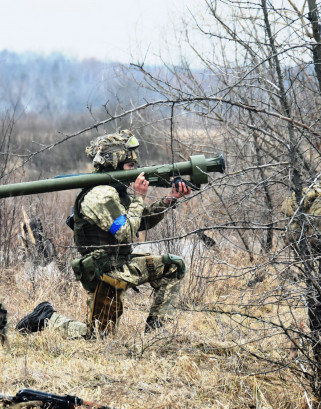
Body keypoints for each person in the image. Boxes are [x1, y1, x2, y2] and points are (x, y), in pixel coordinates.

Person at [16, 130, 191, 338]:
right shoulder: (99, 195)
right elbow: (126, 232)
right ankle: (47, 317)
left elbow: (140, 221)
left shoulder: (116, 189)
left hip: (124, 264)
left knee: (173, 265)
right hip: (105, 273)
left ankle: (155, 334)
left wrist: (169, 199)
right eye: (130, 166)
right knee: (98, 337)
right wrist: (139, 197)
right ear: (114, 164)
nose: (136, 170)